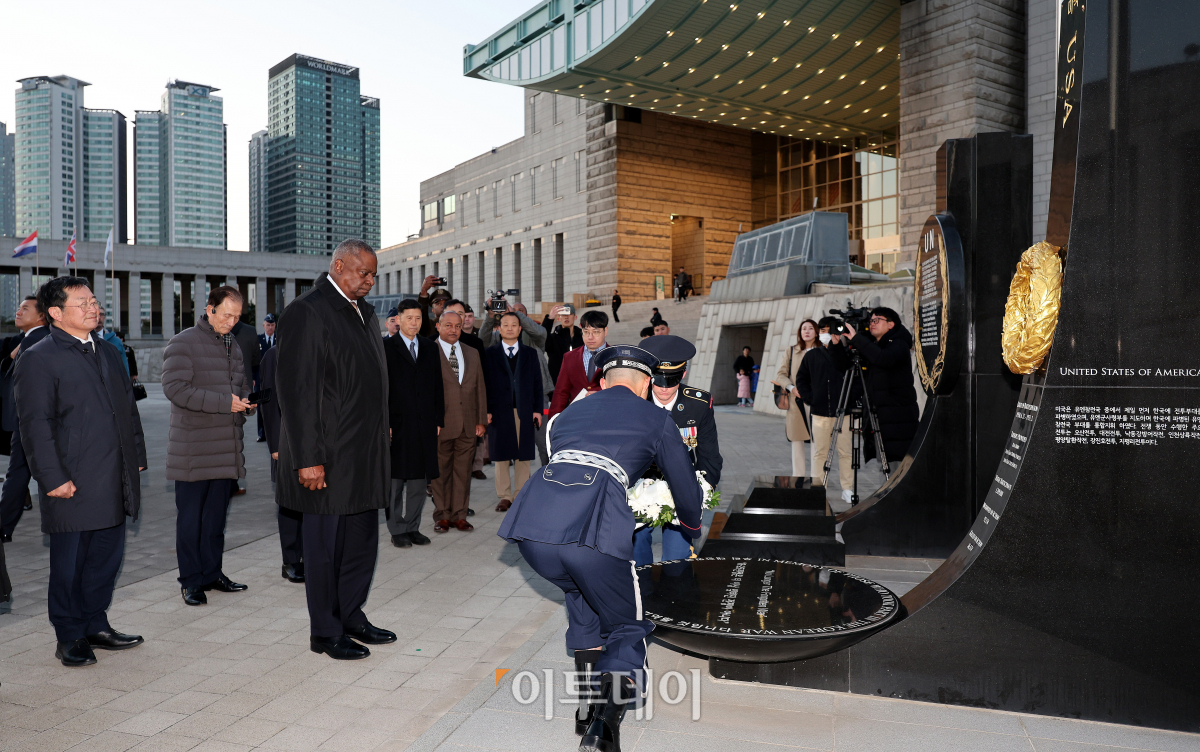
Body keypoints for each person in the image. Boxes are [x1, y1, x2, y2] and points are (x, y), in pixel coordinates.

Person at [498, 345, 703, 751]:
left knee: (582, 594)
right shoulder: (656, 418)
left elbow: (556, 456)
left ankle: (587, 707)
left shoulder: (567, 415)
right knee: (627, 624)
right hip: (593, 531)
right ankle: (604, 727)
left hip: (533, 530)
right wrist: (690, 523)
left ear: (604, 381)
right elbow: (685, 488)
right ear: (645, 385)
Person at [15, 276, 147, 666]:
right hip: (71, 479)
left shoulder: (106, 351)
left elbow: (128, 408)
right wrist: (52, 478)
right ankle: (69, 633)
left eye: (93, 301)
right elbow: (35, 425)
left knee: (106, 558)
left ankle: (95, 622)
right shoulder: (39, 357)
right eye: (83, 303)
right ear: (56, 313)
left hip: (113, 473)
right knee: (70, 563)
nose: (94, 308)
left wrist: (136, 455)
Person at [276, 240, 394, 661]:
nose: (369, 281)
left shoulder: (364, 311)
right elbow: (297, 393)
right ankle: (325, 631)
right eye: (362, 273)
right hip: (326, 457)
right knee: (325, 548)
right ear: (338, 265)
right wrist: (308, 458)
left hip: (365, 453)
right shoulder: (307, 312)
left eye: (372, 275)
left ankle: (351, 615)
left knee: (361, 542)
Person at [161, 285, 253, 606]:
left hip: (226, 446)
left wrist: (244, 401)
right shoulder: (183, 342)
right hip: (194, 449)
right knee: (191, 519)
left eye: (237, 317)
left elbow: (239, 383)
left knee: (215, 519)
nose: (232, 321)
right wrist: (223, 403)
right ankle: (190, 581)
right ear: (209, 309)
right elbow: (174, 388)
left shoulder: (234, 345)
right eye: (227, 314)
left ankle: (212, 573)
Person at [635, 335, 722, 568]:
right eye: (658, 380)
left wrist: (701, 491)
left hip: (683, 486)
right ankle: (641, 597)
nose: (663, 388)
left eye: (671, 380)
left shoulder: (698, 404)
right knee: (637, 553)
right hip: (640, 489)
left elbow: (710, 458)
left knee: (677, 559)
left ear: (683, 374)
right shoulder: (635, 402)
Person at [384, 299, 443, 548]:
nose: (414, 323)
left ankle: (413, 527)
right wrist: (383, 422)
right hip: (397, 424)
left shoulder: (430, 347)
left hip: (424, 423)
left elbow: (438, 386)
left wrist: (438, 419)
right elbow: (380, 389)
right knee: (395, 481)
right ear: (398, 319)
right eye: (409, 318)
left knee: (419, 480)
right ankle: (397, 528)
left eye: (418, 318)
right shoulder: (386, 347)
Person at [837, 308, 921, 463]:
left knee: (898, 470)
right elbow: (845, 367)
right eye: (871, 321)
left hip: (898, 422)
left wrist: (858, 339)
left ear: (890, 324)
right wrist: (837, 345)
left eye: (876, 320)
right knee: (885, 469)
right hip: (880, 420)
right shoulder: (873, 346)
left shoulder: (899, 344)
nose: (872, 324)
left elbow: (883, 358)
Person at [431, 310, 487, 532]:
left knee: (463, 472)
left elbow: (479, 389)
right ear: (438, 326)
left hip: (468, 424)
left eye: (457, 325)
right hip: (440, 425)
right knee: (441, 472)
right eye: (448, 325)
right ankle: (442, 515)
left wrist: (481, 420)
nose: (453, 330)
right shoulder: (429, 352)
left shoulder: (472, 353)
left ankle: (459, 515)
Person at [0, 296, 50, 542]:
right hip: (27, 421)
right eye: (18, 308)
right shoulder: (27, 340)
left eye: (25, 308)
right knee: (19, 474)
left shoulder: (38, 341)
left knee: (19, 474)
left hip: (31, 422)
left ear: (42, 316)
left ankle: (3, 526)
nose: (18, 312)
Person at [483, 312, 543, 512]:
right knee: (501, 455)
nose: (509, 328)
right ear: (499, 329)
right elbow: (485, 385)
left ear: (520, 329)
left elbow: (537, 383)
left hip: (524, 410)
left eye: (514, 325)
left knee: (523, 455)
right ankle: (505, 496)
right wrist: (487, 410)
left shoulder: (530, 354)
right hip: (499, 411)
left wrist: (537, 410)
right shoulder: (490, 354)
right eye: (505, 324)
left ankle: (520, 494)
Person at [258, 336, 304, 583]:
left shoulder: (313, 350)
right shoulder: (274, 354)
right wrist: (275, 443)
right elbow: (268, 400)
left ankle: (309, 556)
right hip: (285, 443)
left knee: (311, 503)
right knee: (289, 504)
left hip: (312, 443)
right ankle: (291, 561)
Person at [797, 317, 854, 502]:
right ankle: (819, 488)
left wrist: (837, 347)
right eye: (821, 330)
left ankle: (847, 488)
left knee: (845, 452)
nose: (824, 334)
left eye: (828, 330)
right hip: (820, 412)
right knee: (819, 452)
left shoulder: (845, 352)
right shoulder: (812, 355)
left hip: (843, 412)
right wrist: (809, 398)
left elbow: (846, 369)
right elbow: (801, 379)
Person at [773, 319, 819, 477]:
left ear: (817, 331)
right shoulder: (791, 351)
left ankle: (816, 480)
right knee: (797, 440)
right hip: (796, 401)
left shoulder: (822, 351)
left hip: (817, 401)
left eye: (810, 328)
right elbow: (781, 375)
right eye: (803, 328)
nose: (806, 331)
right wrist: (792, 388)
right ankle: (798, 478)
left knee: (817, 441)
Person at [549, 310, 609, 416]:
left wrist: (602, 395)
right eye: (586, 332)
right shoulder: (570, 357)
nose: (590, 337)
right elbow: (561, 392)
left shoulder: (615, 357)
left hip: (606, 415)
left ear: (606, 331)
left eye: (596, 332)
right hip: (577, 416)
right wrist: (553, 422)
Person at [229, 317, 261, 489]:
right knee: (236, 436)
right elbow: (256, 360)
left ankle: (228, 482)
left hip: (221, 392)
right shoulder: (249, 331)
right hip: (243, 392)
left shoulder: (212, 331)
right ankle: (232, 481)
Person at [543, 304, 583, 383]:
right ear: (558, 318)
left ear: (575, 317)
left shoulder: (583, 338)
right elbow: (541, 336)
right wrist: (550, 318)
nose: (566, 317)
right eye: (563, 314)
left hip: (578, 384)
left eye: (569, 314)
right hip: (557, 384)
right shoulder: (552, 338)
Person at [255, 312, 277, 442]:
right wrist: (253, 377)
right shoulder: (258, 340)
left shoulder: (280, 339)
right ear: (263, 325)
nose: (270, 327)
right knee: (260, 407)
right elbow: (254, 361)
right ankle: (261, 433)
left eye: (272, 325)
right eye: (268, 325)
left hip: (276, 379)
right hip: (261, 380)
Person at [94, 305, 128, 375]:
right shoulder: (82, 340)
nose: (99, 317)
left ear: (104, 317)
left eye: (101, 314)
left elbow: (124, 366)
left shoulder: (116, 341)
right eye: (95, 314)